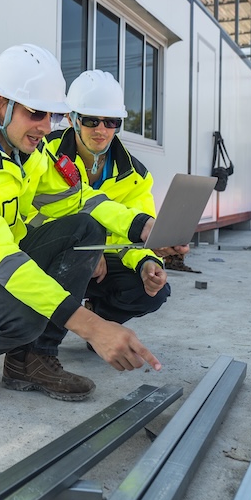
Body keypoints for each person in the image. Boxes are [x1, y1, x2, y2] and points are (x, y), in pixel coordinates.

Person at [0, 44, 163, 402]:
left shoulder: (30, 156)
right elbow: (4, 260)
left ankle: (31, 360)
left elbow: (82, 200)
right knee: (25, 316)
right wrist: (92, 326)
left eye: (52, 117)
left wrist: (143, 227)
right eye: (36, 113)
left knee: (85, 228)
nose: (45, 128)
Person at [39, 70, 189, 325]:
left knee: (153, 292)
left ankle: (101, 316)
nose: (101, 130)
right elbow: (30, 215)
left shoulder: (135, 175)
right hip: (51, 257)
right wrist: (86, 251)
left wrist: (147, 263)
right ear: (71, 118)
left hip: (103, 263)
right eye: (91, 121)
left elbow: (132, 233)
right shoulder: (43, 153)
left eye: (111, 122)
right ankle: (39, 345)